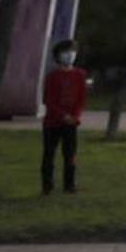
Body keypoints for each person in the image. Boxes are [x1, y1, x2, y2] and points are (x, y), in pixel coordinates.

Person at [41, 38, 86, 195]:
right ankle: (47, 186)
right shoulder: (52, 77)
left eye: (72, 52)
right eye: (66, 52)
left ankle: (69, 184)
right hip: (52, 123)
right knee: (49, 155)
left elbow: (81, 99)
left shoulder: (80, 75)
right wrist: (63, 116)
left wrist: (75, 116)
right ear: (58, 56)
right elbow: (48, 100)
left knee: (70, 155)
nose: (70, 55)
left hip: (71, 123)